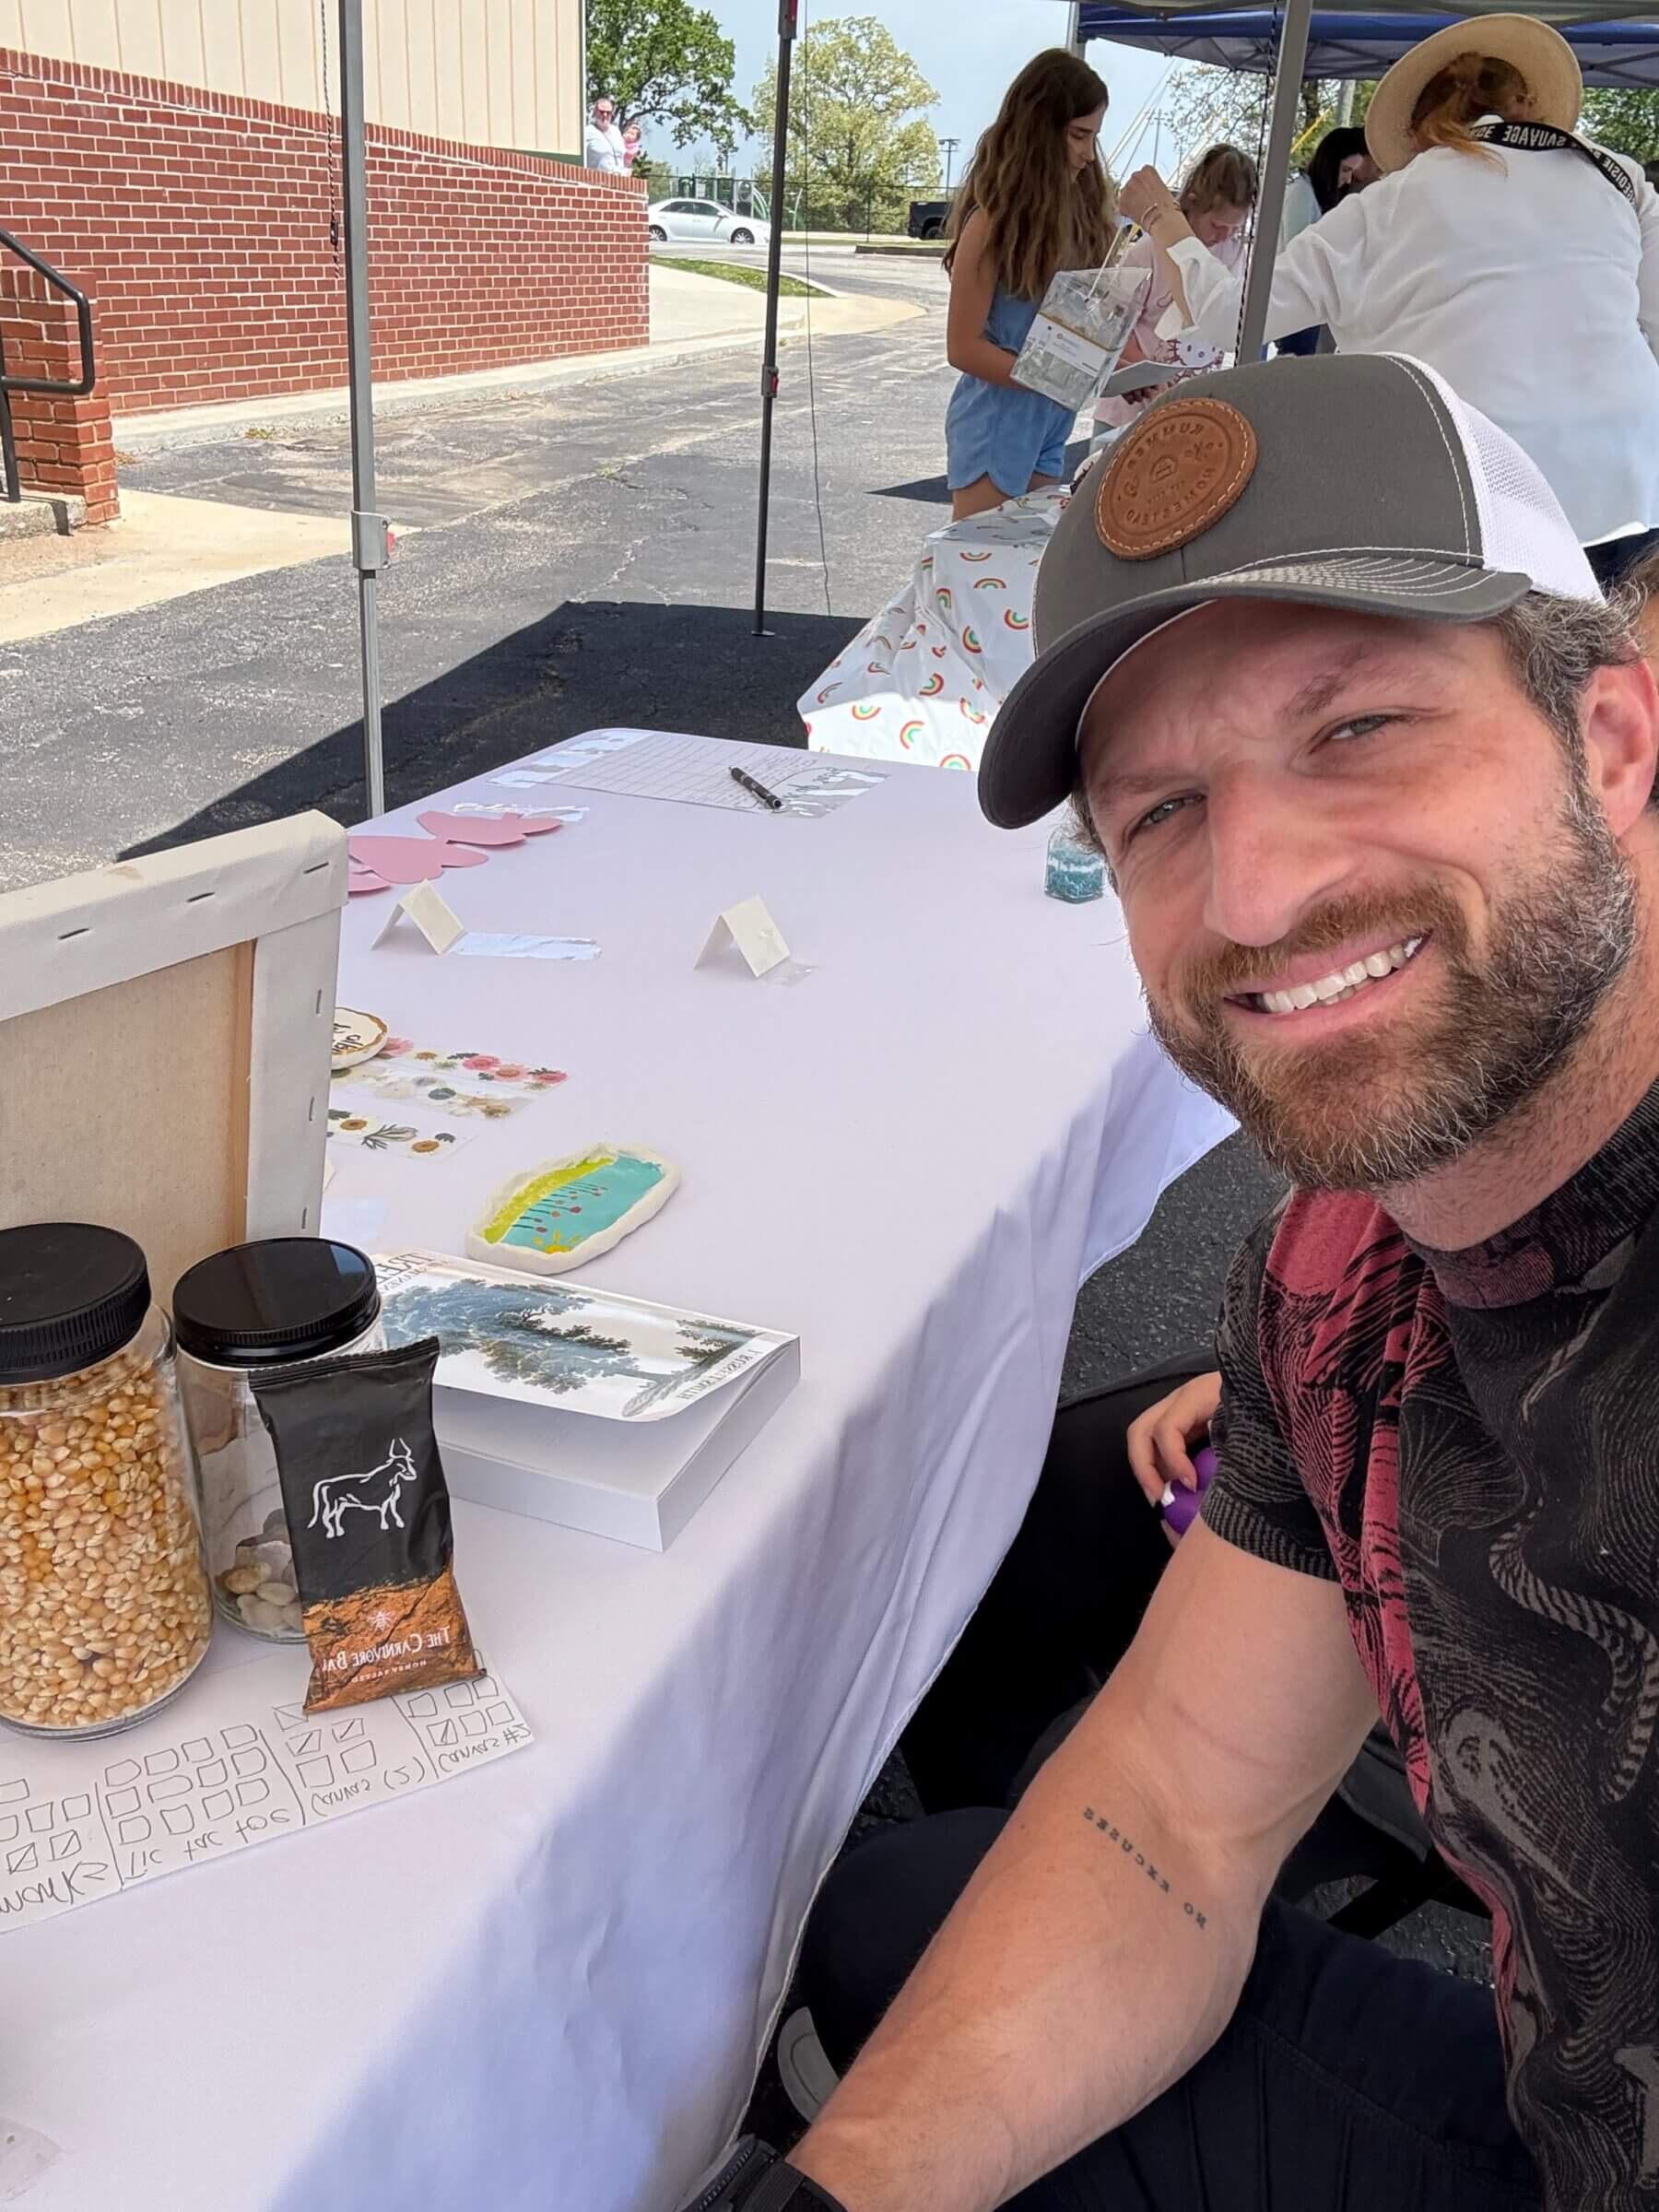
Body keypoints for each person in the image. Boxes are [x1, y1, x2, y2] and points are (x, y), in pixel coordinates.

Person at [687, 350, 1659, 2212]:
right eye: (1160, 811)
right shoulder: (1345, 1251)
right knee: (904, 1912)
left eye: (1359, 727)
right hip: (1561, 2120)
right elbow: (1176, 1806)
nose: (1257, 892)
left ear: (1610, 742)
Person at [1120, 16, 1659, 564]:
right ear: (1526, 105)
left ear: (1420, 131)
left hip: (1475, 501)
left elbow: (1225, 317)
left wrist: (1164, 218)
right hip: (1633, 488)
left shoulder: (1388, 205)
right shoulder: (1623, 180)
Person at [944, 50, 1118, 521]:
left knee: (1030, 572)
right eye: (1078, 135)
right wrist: (1050, 375)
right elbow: (962, 347)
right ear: (1039, 130)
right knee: (977, 569)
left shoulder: (1081, 220)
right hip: (997, 418)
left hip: (1051, 416)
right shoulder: (991, 224)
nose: (1087, 153)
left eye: (1094, 138)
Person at [1094, 146, 1256, 433]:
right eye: (1218, 225)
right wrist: (1144, 372)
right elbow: (1112, 324)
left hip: (1189, 408)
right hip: (1128, 409)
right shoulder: (1147, 252)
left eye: (1234, 228)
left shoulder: (1234, 252)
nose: (1225, 235)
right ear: (1192, 205)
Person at [1276, 124, 1381, 355]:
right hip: (1296, 301)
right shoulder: (1301, 192)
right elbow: (1297, 249)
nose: (1346, 180)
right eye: (1344, 170)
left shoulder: (1315, 196)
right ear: (1330, 162)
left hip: (1308, 303)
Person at [583, 96, 625, 173]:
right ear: (595, 112)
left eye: (608, 112)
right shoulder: (588, 131)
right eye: (602, 111)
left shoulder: (616, 131)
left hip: (620, 180)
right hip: (597, 181)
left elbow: (624, 156)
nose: (605, 115)